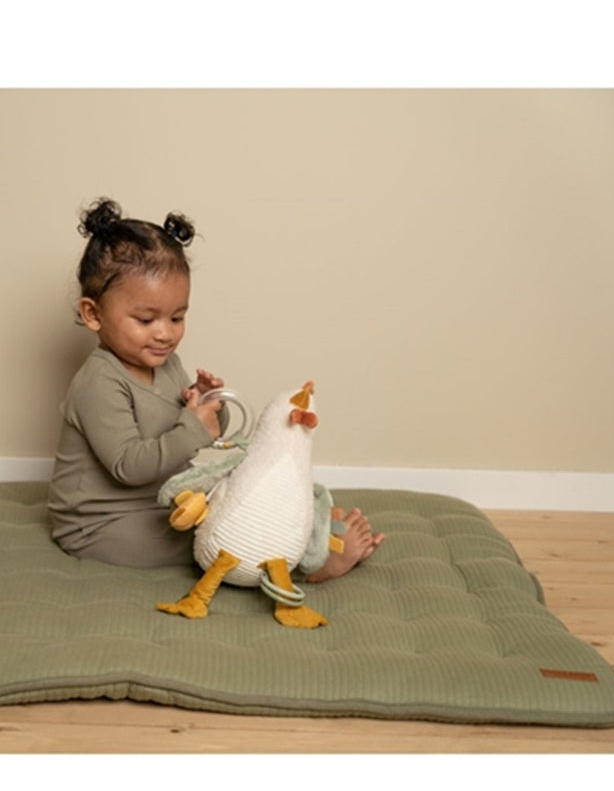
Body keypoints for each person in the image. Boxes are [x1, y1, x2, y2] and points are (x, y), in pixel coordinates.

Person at [48, 197, 384, 573]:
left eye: (177, 318)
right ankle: (307, 564)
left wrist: (209, 407)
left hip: (162, 500)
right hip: (102, 524)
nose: (165, 334)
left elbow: (186, 432)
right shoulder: (98, 384)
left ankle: (306, 527)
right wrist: (193, 426)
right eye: (145, 320)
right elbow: (131, 466)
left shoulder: (165, 364)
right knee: (219, 536)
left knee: (236, 497)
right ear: (93, 314)